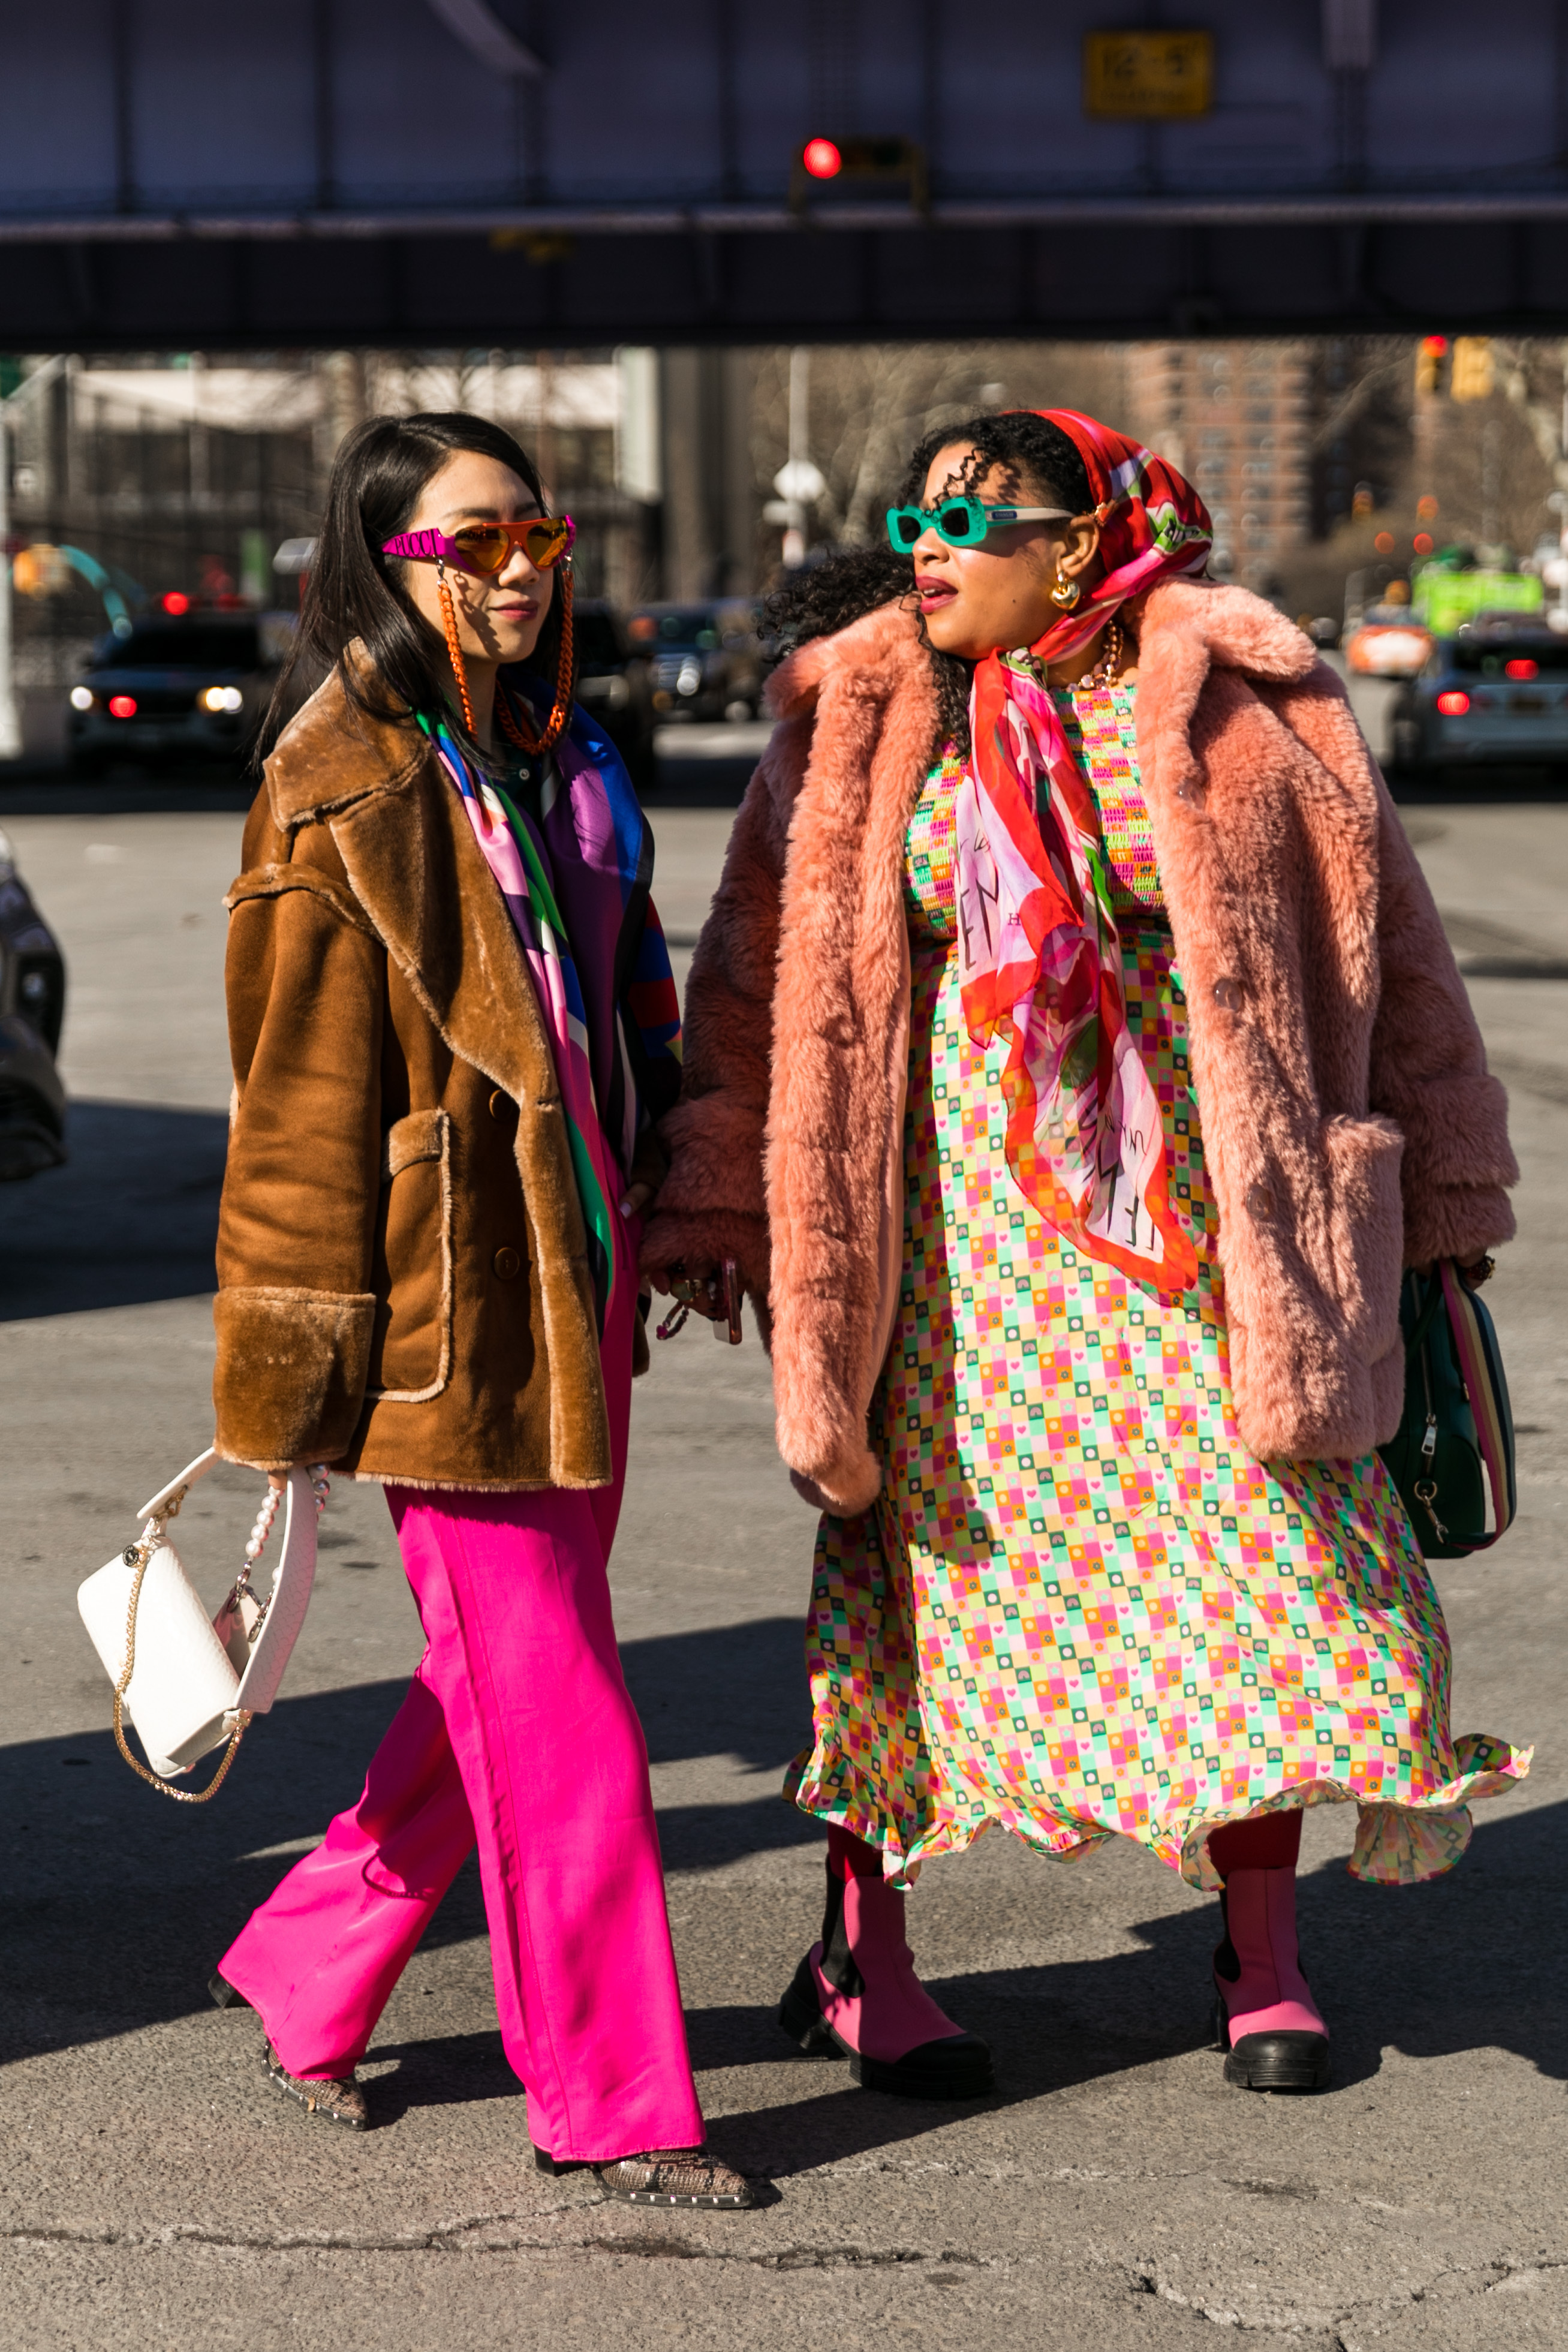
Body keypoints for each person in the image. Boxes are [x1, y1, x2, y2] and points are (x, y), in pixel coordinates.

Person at [643, 407, 1528, 2100]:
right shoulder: (859, 714)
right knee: (923, 1589)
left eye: (977, 518)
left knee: (1270, 1571)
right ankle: (865, 1950)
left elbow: (1393, 946)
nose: (932, 543)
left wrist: (1445, 1201)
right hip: (953, 1261)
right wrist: (714, 1200)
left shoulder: (1248, 694)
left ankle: (1262, 1950)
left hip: (1213, 1243)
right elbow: (757, 975)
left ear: (1084, 540)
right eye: (920, 513)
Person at [206, 411, 751, 2208]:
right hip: (451, 1312)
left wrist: (687, 1187)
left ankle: (308, 1959)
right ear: (388, 563)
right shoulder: (341, 780)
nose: (520, 569)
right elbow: (293, 1109)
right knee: (568, 1703)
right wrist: (289, 1377)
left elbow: (632, 994)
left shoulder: (561, 752)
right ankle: (616, 2094)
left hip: (577, 1288)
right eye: (473, 543)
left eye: (539, 533)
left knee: (496, 1681)